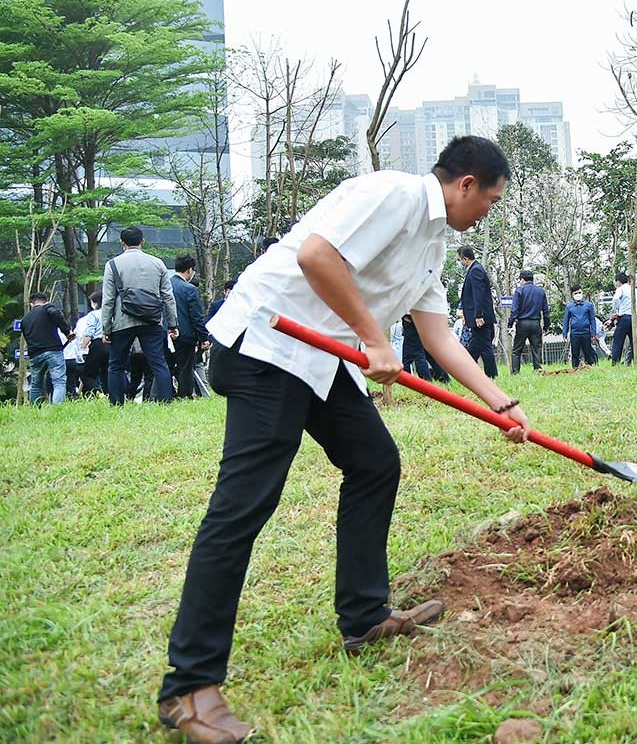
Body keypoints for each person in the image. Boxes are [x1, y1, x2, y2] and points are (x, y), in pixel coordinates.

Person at [157, 136, 530, 742]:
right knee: (243, 506)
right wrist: (373, 339)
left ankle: (363, 616)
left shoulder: (433, 244)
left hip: (318, 359)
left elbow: (438, 336)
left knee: (375, 463)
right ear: (466, 184)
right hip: (268, 346)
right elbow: (316, 256)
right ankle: (188, 687)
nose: (486, 213)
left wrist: (500, 402)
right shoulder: (392, 194)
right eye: (489, 200)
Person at [102, 226, 178, 405]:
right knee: (158, 363)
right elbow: (168, 295)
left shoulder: (112, 264)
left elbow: (108, 299)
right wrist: (173, 324)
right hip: (152, 320)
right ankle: (166, 401)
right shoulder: (158, 263)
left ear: (122, 243)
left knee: (116, 365)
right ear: (142, 241)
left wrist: (106, 328)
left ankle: (116, 404)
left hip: (122, 321)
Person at [21, 292, 73, 406]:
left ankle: (35, 409)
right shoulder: (48, 308)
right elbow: (55, 314)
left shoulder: (24, 319)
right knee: (59, 381)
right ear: (45, 301)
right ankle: (57, 409)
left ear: (31, 303)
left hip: (35, 354)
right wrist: (67, 332)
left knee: (36, 383)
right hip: (53, 350)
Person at [170, 255, 209, 399]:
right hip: (185, 335)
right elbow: (196, 317)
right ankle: (184, 396)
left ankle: (167, 395)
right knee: (185, 367)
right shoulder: (190, 289)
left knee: (166, 366)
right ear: (189, 270)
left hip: (165, 334)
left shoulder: (165, 286)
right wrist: (203, 337)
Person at [457, 245, 498, 378]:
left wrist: (478, 315)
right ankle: (467, 372)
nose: (460, 263)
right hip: (476, 316)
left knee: (483, 347)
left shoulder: (475, 271)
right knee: (476, 347)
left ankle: (489, 375)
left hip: (480, 317)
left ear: (465, 259)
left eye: (459, 260)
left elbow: (478, 294)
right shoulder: (475, 269)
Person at [508, 270, 551, 374]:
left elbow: (515, 310)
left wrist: (510, 324)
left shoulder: (519, 291)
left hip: (522, 323)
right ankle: (538, 370)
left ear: (522, 279)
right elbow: (546, 311)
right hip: (536, 323)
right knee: (537, 349)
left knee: (517, 350)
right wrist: (546, 326)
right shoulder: (541, 292)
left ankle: (515, 372)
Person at [607, 272, 637, 365]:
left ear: (618, 282)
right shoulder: (636, 291)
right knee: (635, 342)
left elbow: (615, 299)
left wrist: (617, 312)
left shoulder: (621, 289)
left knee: (618, 342)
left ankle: (615, 364)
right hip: (635, 318)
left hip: (624, 318)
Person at [401, 314, 450, 382]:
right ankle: (443, 377)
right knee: (427, 352)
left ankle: (425, 380)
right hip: (425, 318)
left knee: (416, 354)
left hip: (413, 318)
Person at [562, 285, 599, 368]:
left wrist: (593, 333)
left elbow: (592, 320)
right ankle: (575, 369)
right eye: (576, 293)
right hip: (574, 334)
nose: (578, 294)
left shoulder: (589, 305)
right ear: (572, 294)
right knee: (575, 354)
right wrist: (564, 334)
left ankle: (590, 367)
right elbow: (566, 321)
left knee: (588, 352)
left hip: (586, 332)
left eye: (579, 292)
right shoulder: (569, 307)